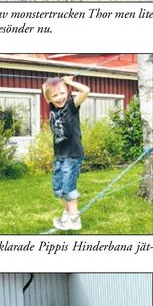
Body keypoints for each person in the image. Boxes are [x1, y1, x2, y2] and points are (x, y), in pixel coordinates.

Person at [42, 75, 91, 231]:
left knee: (68, 188)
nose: (59, 97)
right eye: (55, 95)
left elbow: (86, 91)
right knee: (59, 189)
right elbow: (45, 89)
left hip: (72, 154)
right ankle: (67, 213)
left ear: (68, 93)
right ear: (49, 98)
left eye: (62, 93)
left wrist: (68, 82)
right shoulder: (52, 107)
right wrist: (54, 83)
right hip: (60, 155)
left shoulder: (71, 105)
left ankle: (74, 219)